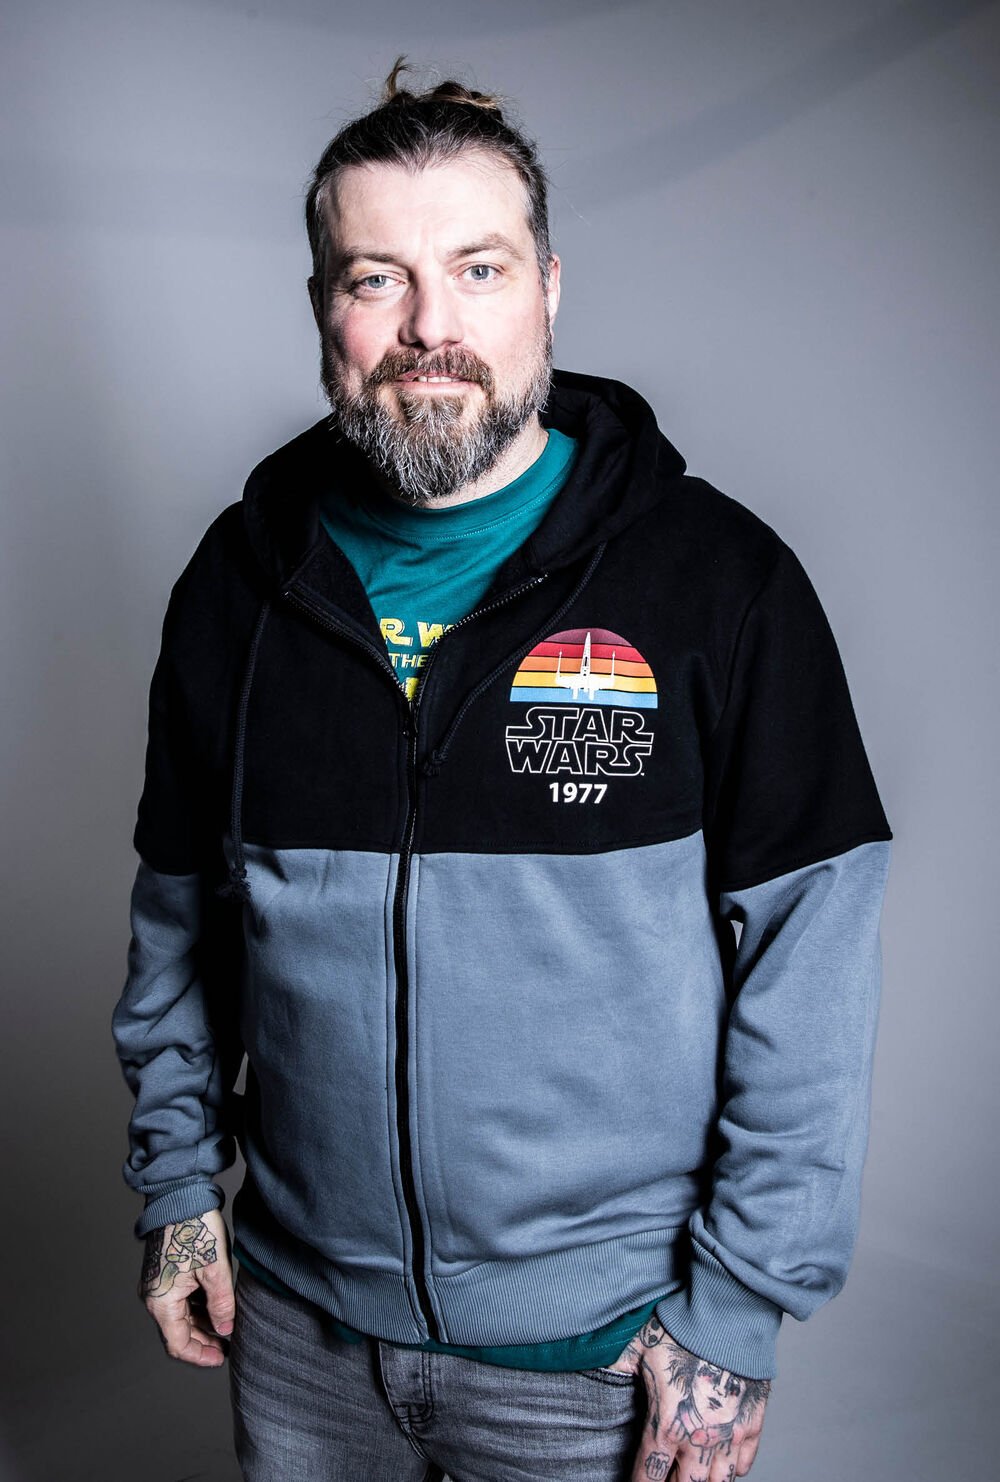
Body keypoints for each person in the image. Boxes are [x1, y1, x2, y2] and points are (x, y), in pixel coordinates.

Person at [112, 58, 892, 1482]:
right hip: (297, 1342)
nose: (432, 327)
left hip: (603, 1362)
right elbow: (176, 921)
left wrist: (739, 1307)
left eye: (478, 268)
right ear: (322, 308)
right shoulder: (239, 587)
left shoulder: (719, 583)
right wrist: (175, 1186)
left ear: (549, 288)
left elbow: (813, 957)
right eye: (378, 279)